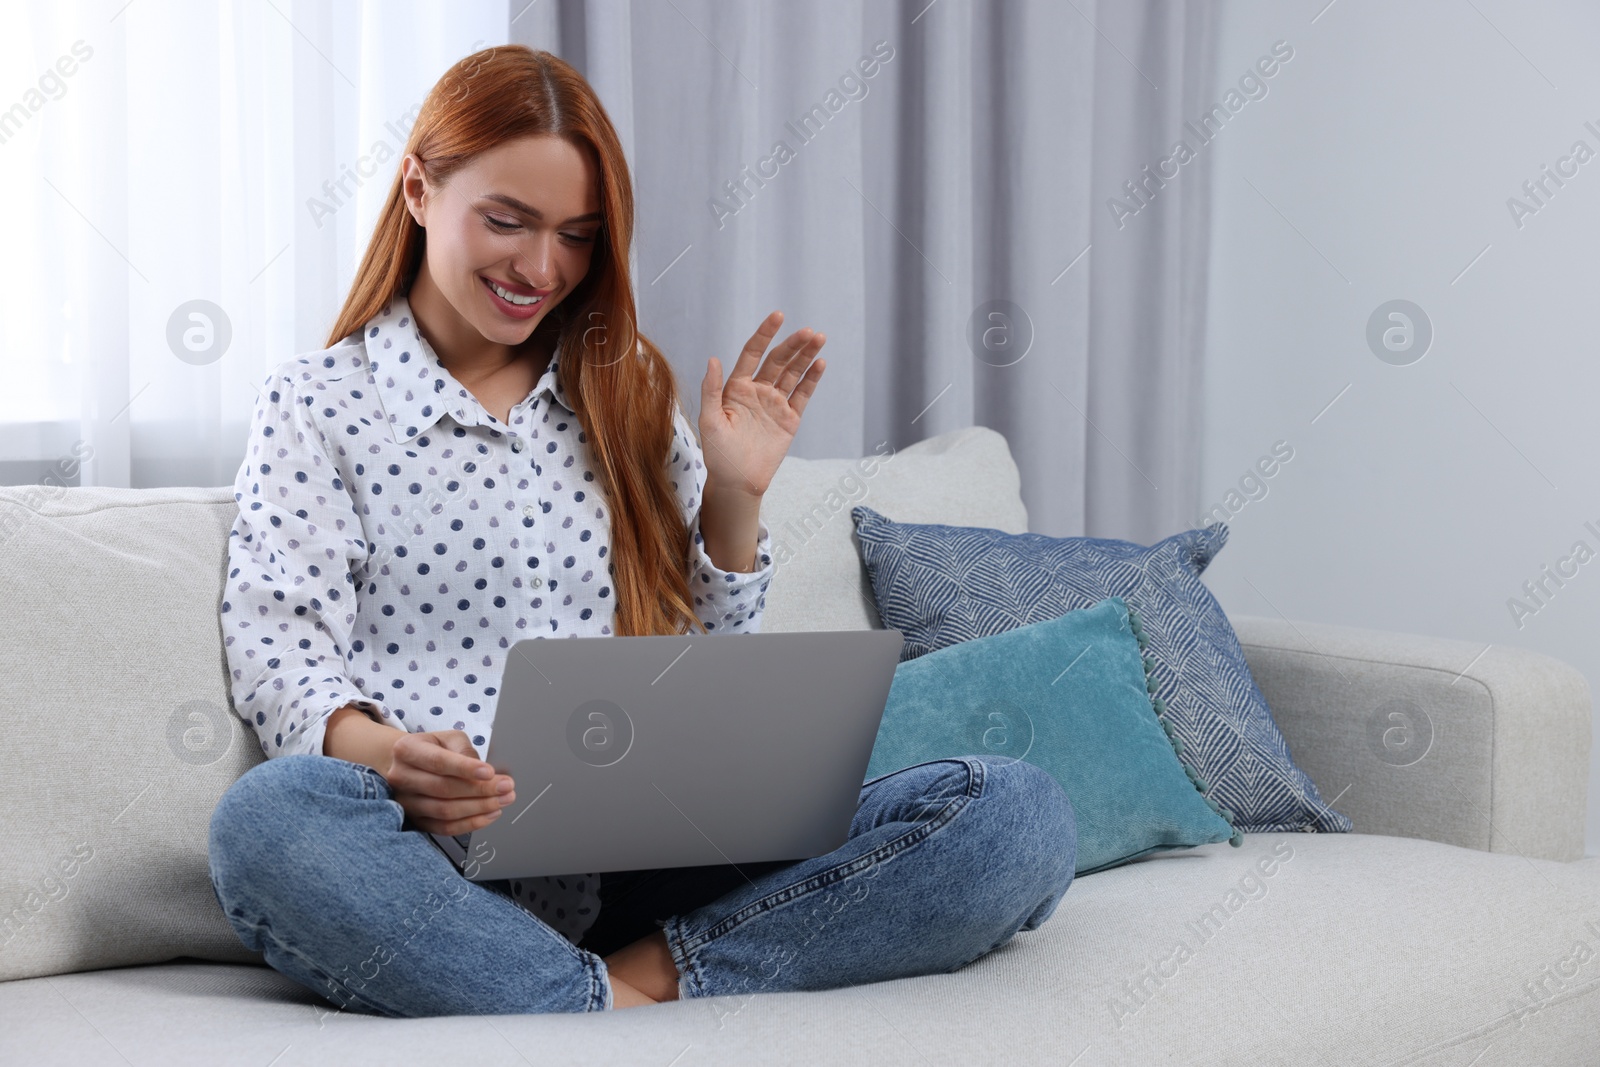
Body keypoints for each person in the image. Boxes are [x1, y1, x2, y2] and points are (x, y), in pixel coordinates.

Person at [206, 44, 1077, 1017]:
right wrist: (379, 750)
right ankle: (602, 998)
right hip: (432, 859)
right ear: (417, 188)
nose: (542, 268)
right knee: (268, 824)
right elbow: (279, 637)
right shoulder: (318, 405)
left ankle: (638, 982)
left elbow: (699, 673)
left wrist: (736, 500)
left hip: (645, 856)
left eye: (577, 235)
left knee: (1013, 812)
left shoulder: (626, 393)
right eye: (507, 220)